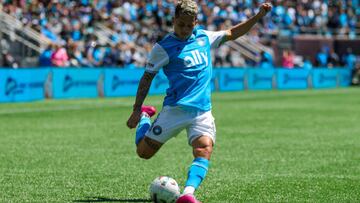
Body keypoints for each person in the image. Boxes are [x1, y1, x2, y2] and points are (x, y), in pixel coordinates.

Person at [126, 1, 272, 203]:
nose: (185, 29)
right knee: (143, 153)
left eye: (189, 25)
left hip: (202, 111)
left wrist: (258, 16)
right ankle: (145, 116)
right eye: (181, 24)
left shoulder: (204, 37)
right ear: (174, 20)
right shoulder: (162, 48)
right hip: (175, 110)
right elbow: (147, 78)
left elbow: (232, 33)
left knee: (204, 149)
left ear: (196, 22)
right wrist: (135, 111)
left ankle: (187, 194)